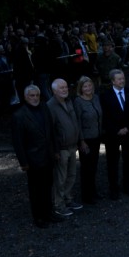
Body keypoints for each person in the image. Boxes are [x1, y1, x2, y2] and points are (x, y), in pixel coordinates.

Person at [12, 85, 59, 228]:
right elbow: (18, 142)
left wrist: (55, 151)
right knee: (35, 190)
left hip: (47, 156)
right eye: (32, 96)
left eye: (37, 95)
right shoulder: (19, 115)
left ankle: (49, 212)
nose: (35, 98)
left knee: (47, 186)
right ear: (26, 97)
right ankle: (38, 217)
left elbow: (52, 131)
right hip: (33, 160)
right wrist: (23, 162)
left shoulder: (44, 108)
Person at [100, 69, 129, 200]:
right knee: (112, 162)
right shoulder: (105, 96)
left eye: (123, 78)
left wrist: (128, 128)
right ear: (112, 81)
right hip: (112, 135)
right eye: (119, 79)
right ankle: (114, 189)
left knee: (128, 161)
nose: (122, 81)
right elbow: (104, 117)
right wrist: (117, 129)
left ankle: (128, 186)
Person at [47, 78, 83, 214]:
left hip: (72, 146)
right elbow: (51, 131)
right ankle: (58, 204)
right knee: (60, 179)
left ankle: (68, 199)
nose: (65, 90)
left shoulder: (69, 101)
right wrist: (55, 150)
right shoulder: (50, 106)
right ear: (54, 90)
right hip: (61, 149)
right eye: (61, 88)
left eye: (66, 87)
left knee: (71, 175)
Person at [73, 76, 102, 204]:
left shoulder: (96, 98)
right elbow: (77, 122)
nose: (88, 88)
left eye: (90, 85)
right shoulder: (78, 101)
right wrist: (81, 141)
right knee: (86, 168)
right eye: (85, 86)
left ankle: (93, 191)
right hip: (86, 140)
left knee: (94, 167)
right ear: (81, 88)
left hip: (96, 137)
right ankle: (86, 195)